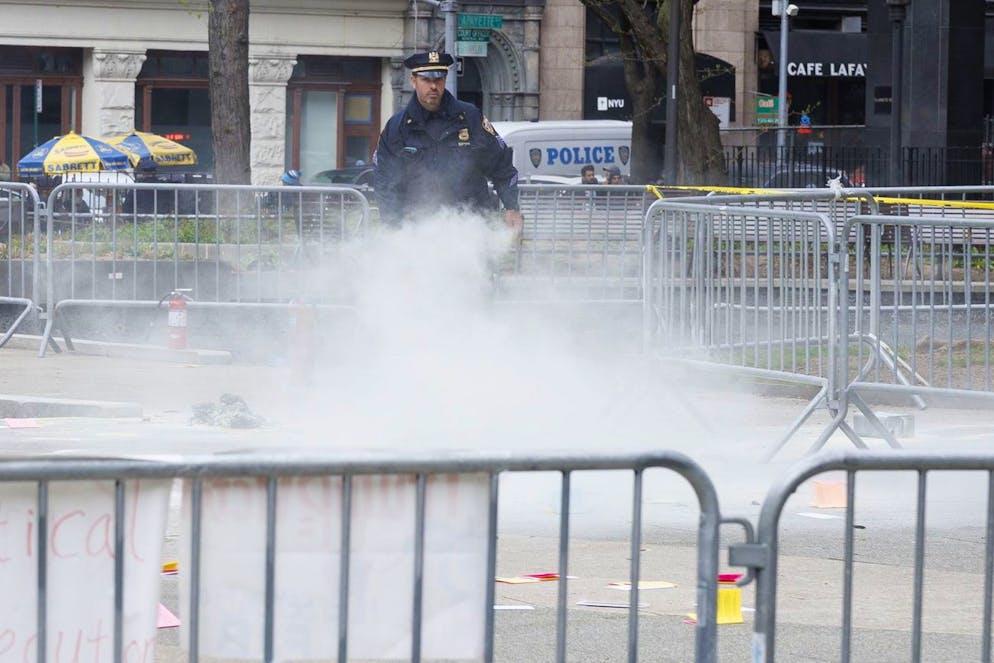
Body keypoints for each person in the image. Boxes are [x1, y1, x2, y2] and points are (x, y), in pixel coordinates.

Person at [372, 50, 523, 233]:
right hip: (418, 229)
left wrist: (511, 206)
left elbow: (501, 164)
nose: (433, 86)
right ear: (413, 81)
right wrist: (393, 226)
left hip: (472, 225)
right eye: (426, 80)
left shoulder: (471, 118)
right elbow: (385, 181)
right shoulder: (397, 128)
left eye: (439, 79)